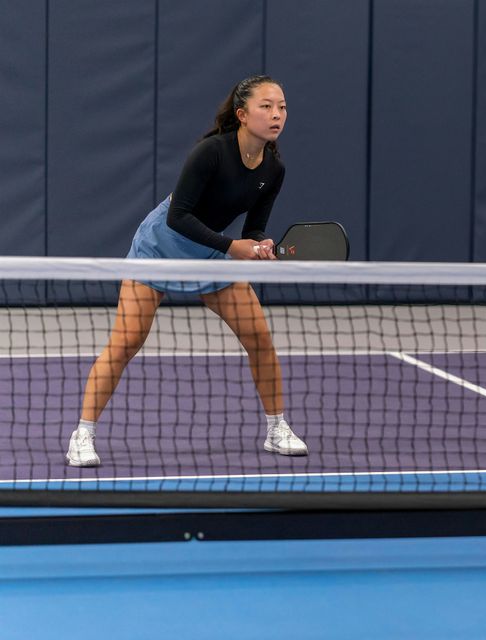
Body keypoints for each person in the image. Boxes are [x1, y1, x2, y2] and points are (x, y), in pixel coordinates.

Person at [66, 75, 308, 468]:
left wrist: (259, 243)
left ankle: (276, 428)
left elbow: (253, 228)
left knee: (259, 338)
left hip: (210, 251)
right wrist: (233, 248)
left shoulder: (273, 169)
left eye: (282, 106)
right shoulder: (211, 152)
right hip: (160, 248)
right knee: (126, 342)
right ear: (242, 114)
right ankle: (83, 433)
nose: (277, 114)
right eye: (266, 106)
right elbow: (179, 217)